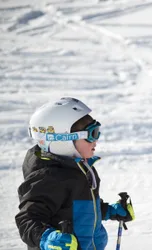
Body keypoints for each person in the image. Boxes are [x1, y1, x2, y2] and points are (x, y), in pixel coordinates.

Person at [15, 97, 135, 250]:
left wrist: (109, 211)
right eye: (91, 134)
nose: (95, 140)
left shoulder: (79, 166)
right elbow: (27, 219)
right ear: (63, 140)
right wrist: (47, 238)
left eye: (97, 131)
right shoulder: (49, 177)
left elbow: (77, 209)